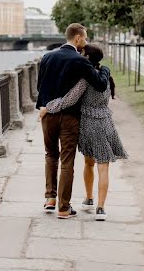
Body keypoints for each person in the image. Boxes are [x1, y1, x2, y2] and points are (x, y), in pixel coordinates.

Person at [39, 43, 127, 221]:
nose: (80, 54)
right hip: (106, 123)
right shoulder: (105, 76)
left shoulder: (85, 79)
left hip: (88, 124)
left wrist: (48, 108)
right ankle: (100, 208)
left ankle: (87, 198)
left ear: (87, 57)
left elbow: (69, 100)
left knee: (88, 163)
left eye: (82, 53)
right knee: (104, 166)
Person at [36, 24, 109, 219]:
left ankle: (50, 198)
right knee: (67, 160)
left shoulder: (47, 57)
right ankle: (63, 207)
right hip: (70, 118)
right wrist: (105, 70)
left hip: (48, 116)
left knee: (50, 154)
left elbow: (39, 87)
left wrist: (45, 108)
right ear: (77, 38)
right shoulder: (80, 61)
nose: (85, 42)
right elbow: (100, 85)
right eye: (84, 39)